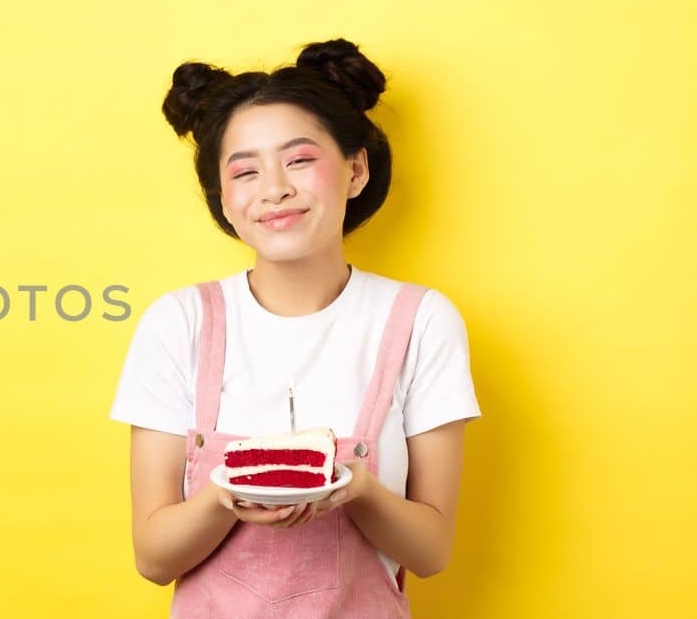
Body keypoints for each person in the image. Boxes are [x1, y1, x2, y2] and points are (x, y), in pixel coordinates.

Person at [108, 38, 481, 617]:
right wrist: (226, 498)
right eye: (246, 170)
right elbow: (154, 560)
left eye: (300, 160)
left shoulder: (421, 320)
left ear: (355, 170)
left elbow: (430, 552)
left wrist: (357, 491)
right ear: (225, 200)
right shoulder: (178, 323)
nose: (275, 188)